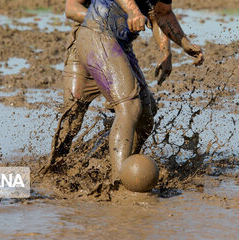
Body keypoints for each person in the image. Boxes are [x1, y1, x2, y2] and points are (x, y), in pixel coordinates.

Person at [41, 0, 203, 180]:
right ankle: (116, 180)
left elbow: (161, 15)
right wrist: (130, 13)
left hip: (119, 44)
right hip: (94, 34)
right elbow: (71, 9)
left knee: (145, 115)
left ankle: (117, 163)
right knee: (79, 113)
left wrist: (175, 47)